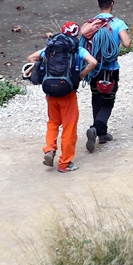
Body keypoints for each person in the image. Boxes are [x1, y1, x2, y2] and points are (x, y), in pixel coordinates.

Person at [27, 22, 97, 173]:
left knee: (53, 123)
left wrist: (43, 70)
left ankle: (49, 150)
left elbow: (31, 58)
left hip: (50, 93)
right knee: (69, 127)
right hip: (67, 93)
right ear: (76, 34)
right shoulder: (78, 49)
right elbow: (93, 62)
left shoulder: (50, 48)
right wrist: (80, 75)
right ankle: (64, 163)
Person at [82, 0, 132, 153]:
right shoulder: (118, 23)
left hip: (93, 69)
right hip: (110, 70)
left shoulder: (91, 24)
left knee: (96, 99)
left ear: (98, 5)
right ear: (112, 4)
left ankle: (102, 134)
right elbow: (127, 44)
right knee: (108, 102)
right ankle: (97, 129)